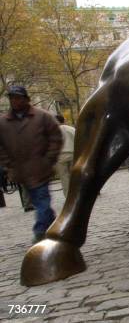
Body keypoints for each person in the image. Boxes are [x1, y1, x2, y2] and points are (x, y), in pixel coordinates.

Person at [0, 86, 62, 243]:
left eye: (18, 97)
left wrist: (48, 159)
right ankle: (54, 225)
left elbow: (56, 137)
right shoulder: (3, 122)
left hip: (40, 168)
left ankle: (40, 232)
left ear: (26, 99)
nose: (15, 101)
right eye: (12, 98)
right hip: (20, 171)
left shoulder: (42, 116)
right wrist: (8, 165)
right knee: (40, 202)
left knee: (42, 200)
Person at [55, 114, 76, 197]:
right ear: (64, 120)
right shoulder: (72, 129)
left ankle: (68, 195)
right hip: (72, 153)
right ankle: (76, 193)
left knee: (64, 177)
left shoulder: (54, 131)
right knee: (74, 176)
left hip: (60, 156)